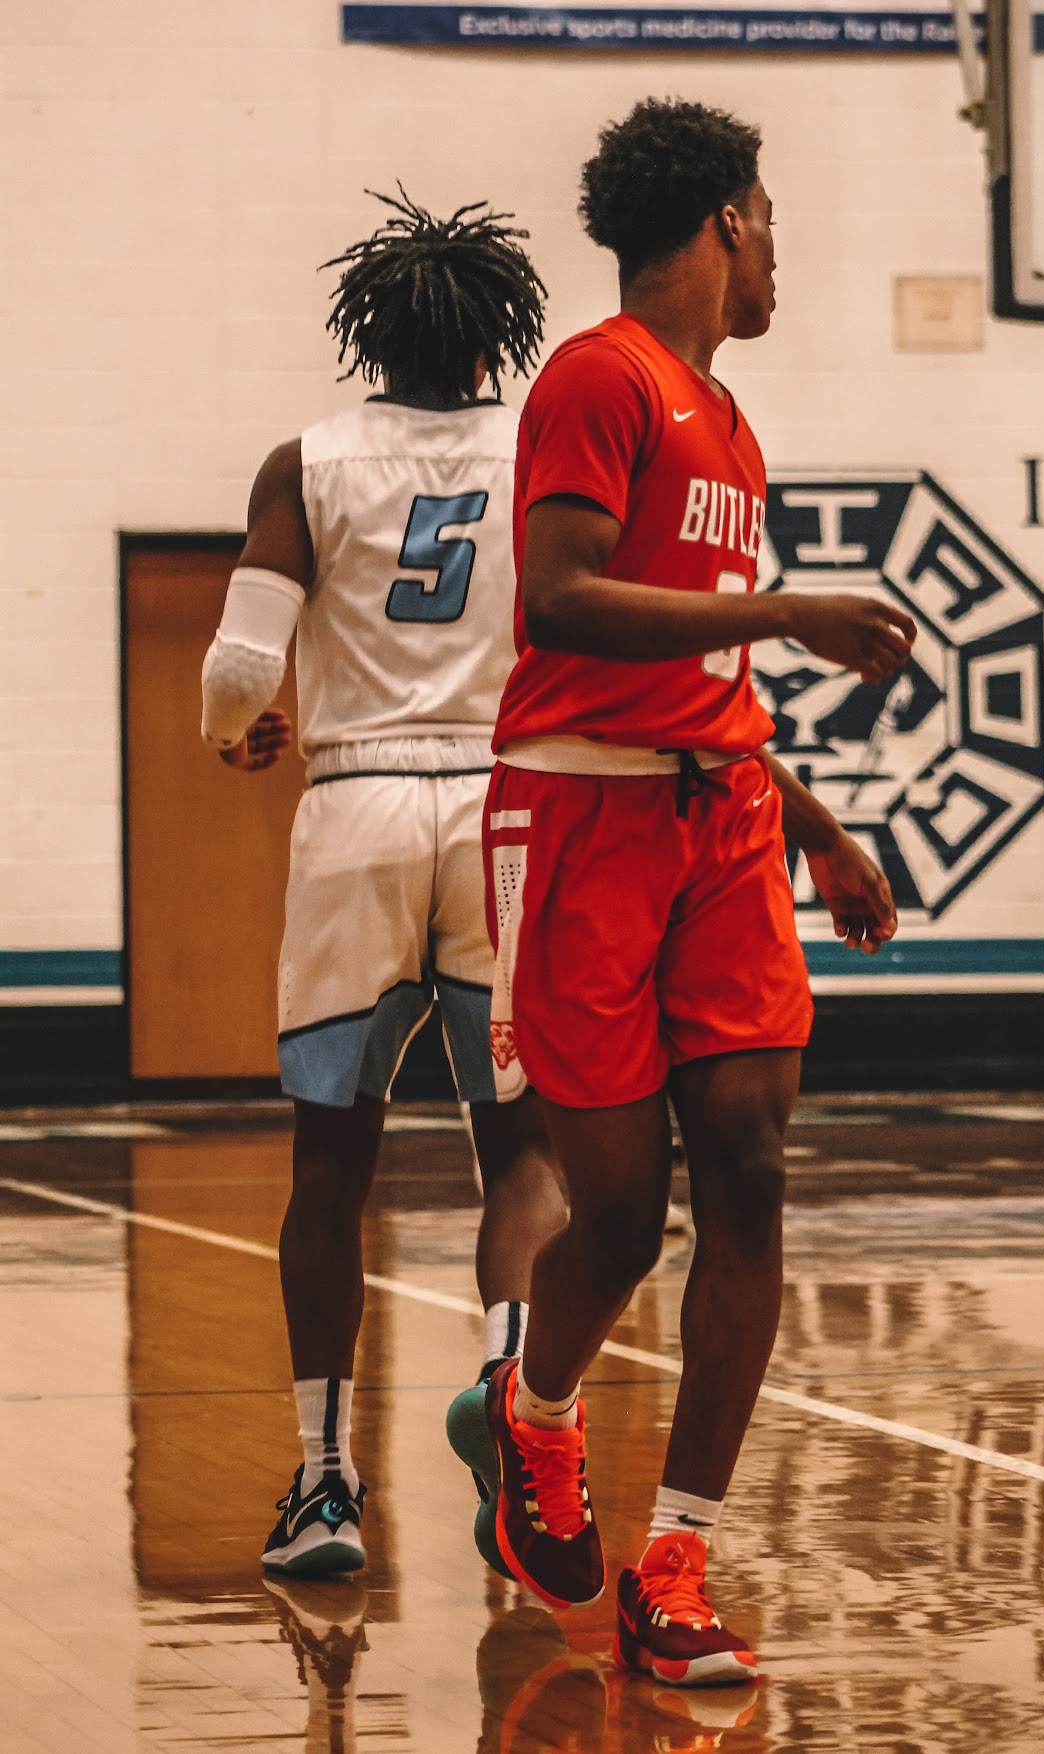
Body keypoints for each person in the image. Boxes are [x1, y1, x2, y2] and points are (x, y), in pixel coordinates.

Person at [480, 99, 916, 1685]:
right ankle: (529, 1420)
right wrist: (798, 607)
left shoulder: (727, 424)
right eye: (774, 222)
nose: (780, 253)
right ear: (728, 220)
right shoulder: (603, 377)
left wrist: (812, 818)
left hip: (724, 819)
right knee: (621, 1214)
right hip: (583, 823)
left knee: (748, 1160)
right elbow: (567, 597)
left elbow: (709, 659)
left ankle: (676, 1562)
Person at [199, 190, 565, 1579]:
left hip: (353, 810)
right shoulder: (543, 449)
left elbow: (241, 672)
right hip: (503, 802)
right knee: (524, 1153)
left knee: (328, 1167)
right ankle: (525, 1443)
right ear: (496, 338)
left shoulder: (311, 458)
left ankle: (327, 1485)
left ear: (371, 332)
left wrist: (234, 738)